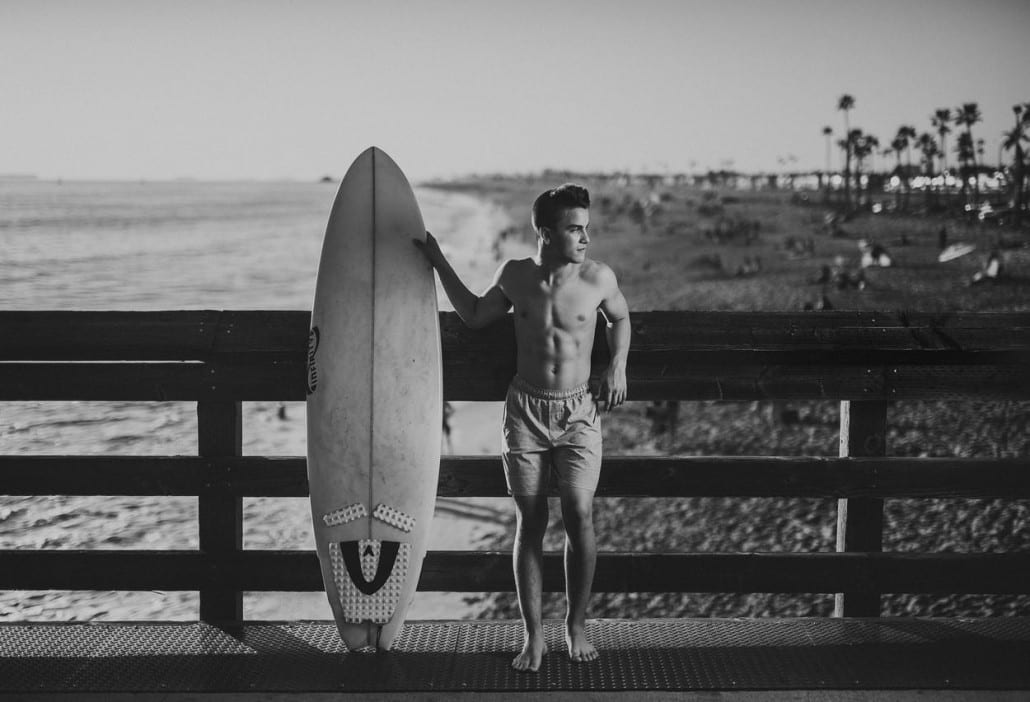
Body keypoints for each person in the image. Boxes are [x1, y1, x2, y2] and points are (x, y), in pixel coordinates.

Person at [414, 184, 630, 672]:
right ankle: (533, 636)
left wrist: (618, 364)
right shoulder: (515, 276)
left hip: (578, 412)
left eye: (586, 228)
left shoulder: (598, 277)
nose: (585, 238)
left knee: (579, 516)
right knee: (530, 524)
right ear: (546, 233)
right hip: (527, 412)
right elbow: (472, 316)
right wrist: (438, 261)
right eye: (576, 229)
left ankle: (575, 627)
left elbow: (620, 317)